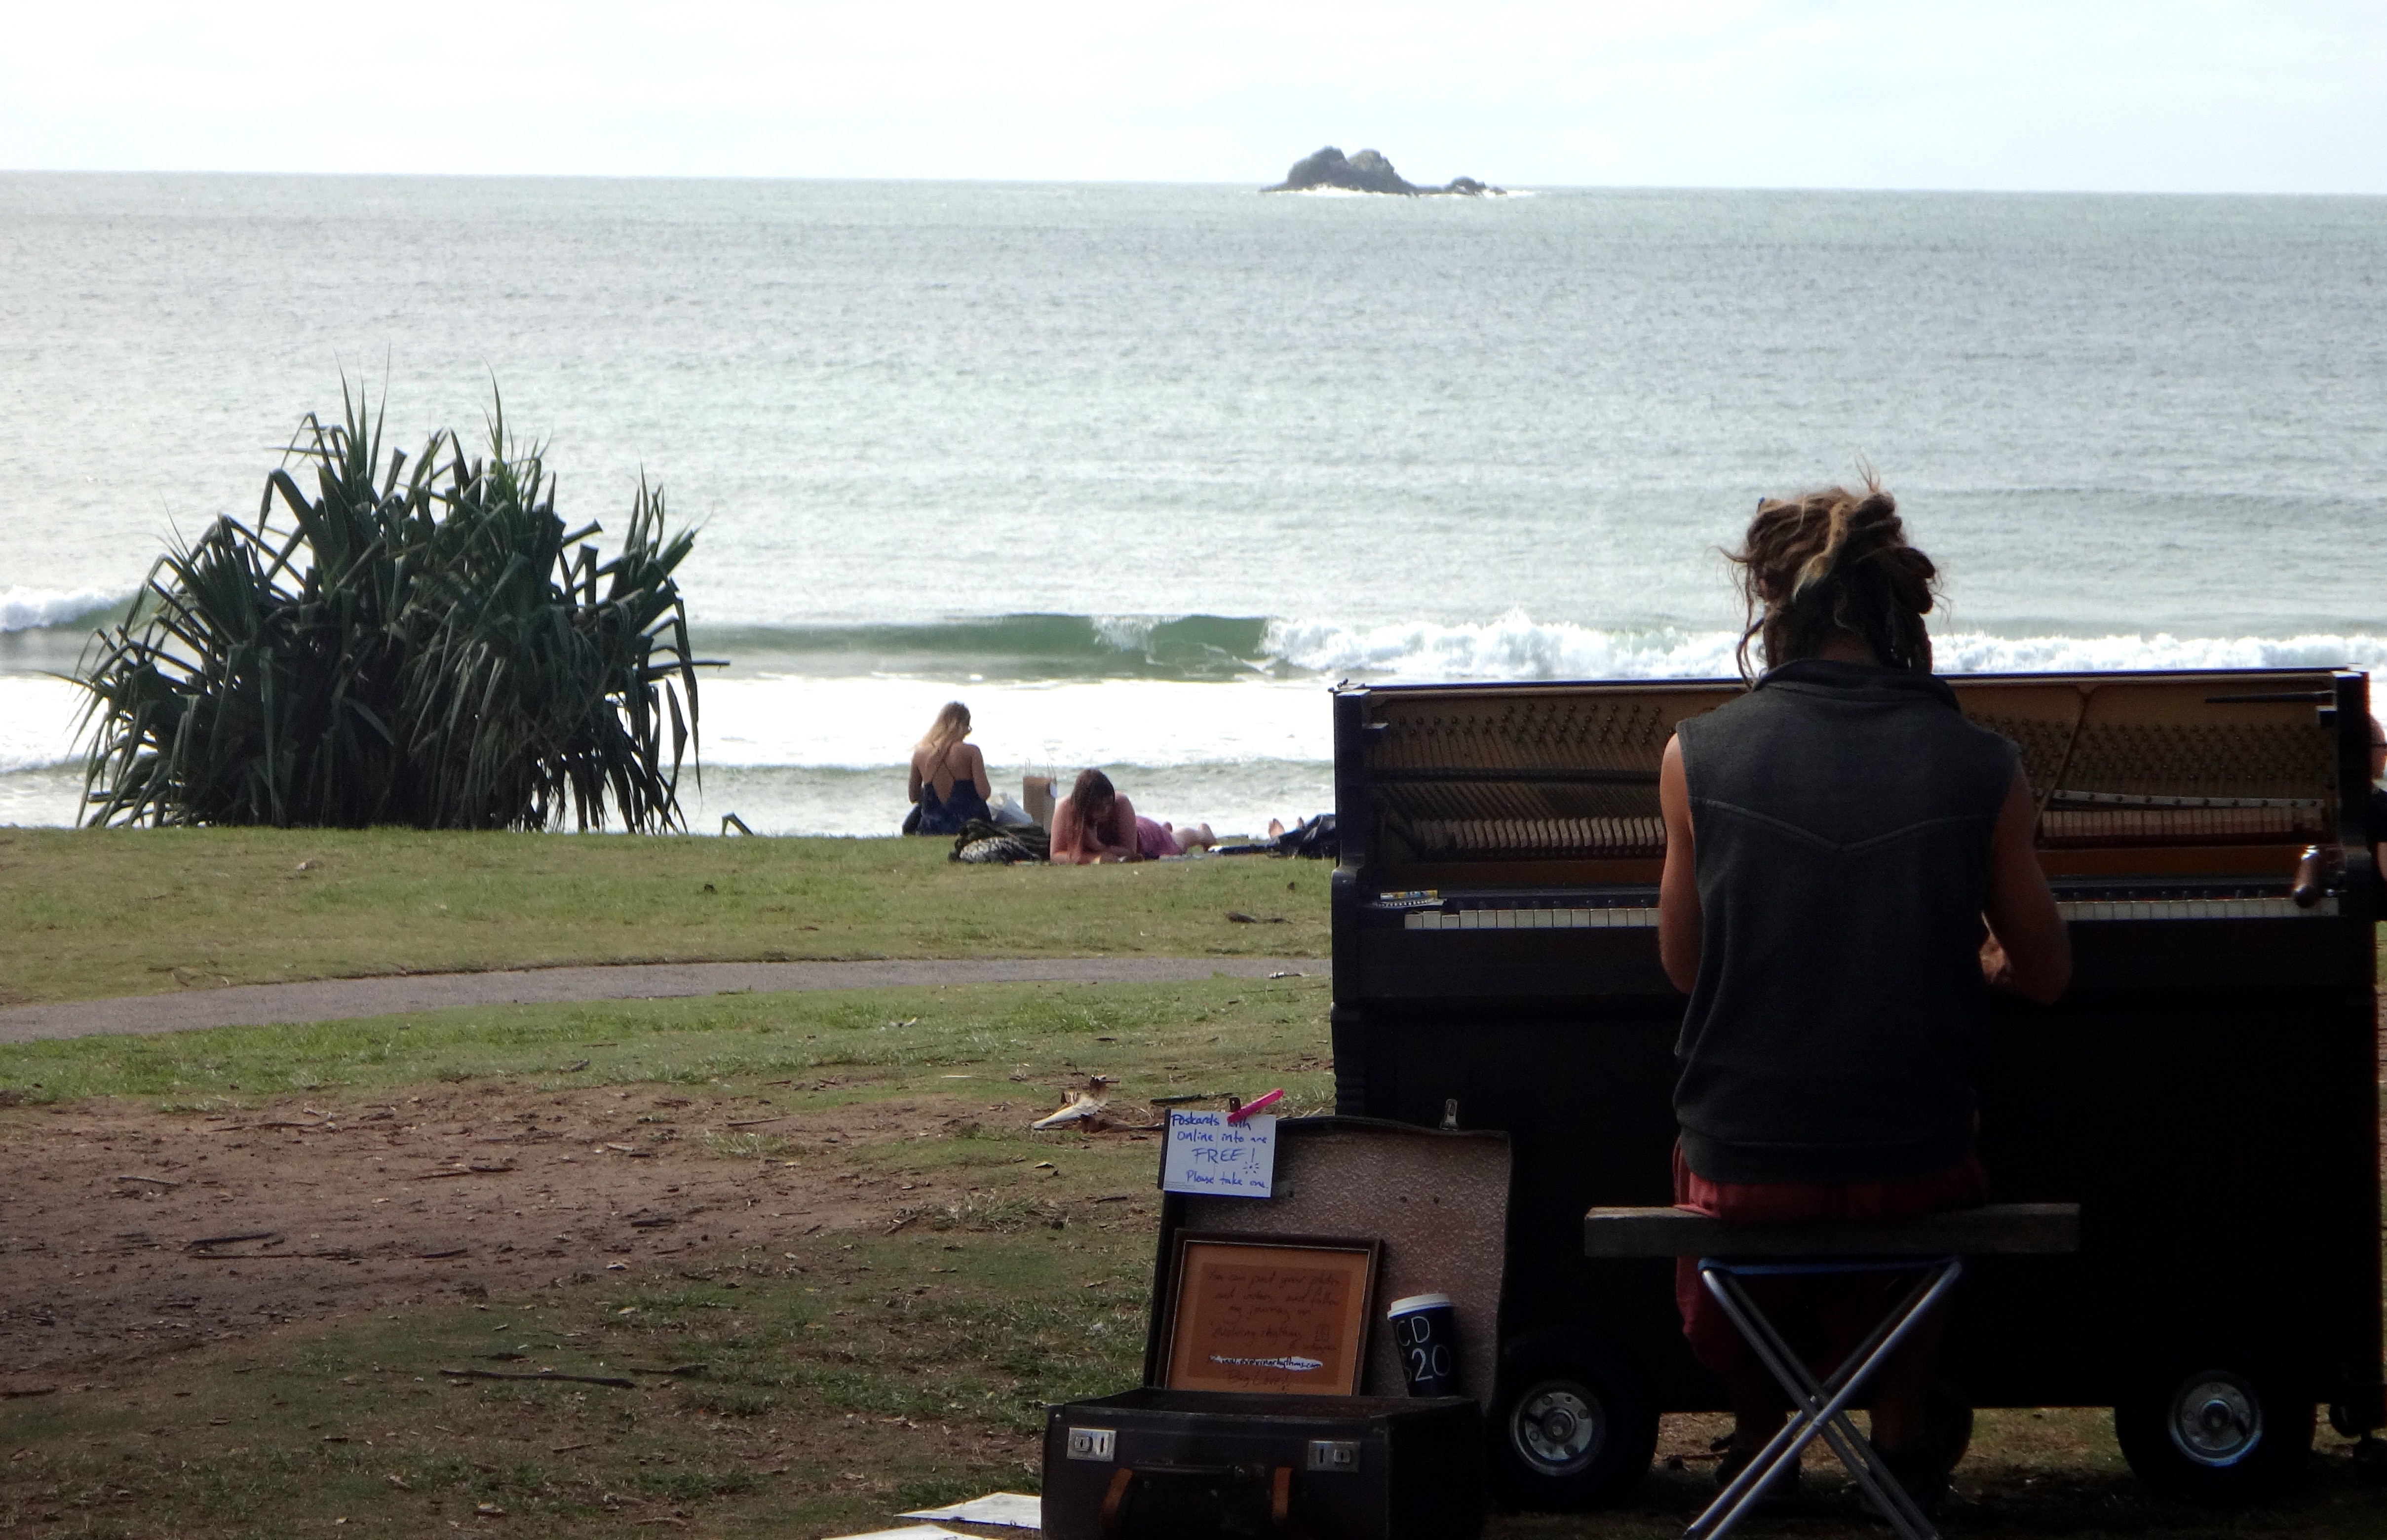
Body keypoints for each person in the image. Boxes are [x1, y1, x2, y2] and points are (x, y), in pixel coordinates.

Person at [1655, 479, 2071, 1513]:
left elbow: (1681, 966)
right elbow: (2049, 973)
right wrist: (1978, 961)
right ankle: (1901, 1437)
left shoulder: (1693, 755)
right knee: (1931, 1146)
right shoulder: (1984, 764)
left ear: (1773, 604)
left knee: (1723, 1153)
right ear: (1897, 607)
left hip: (1746, 1171)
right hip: (1911, 1170)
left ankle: (1761, 1441)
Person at [907, 702, 992, 836]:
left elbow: (914, 797)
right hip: (970, 827)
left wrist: (933, 790)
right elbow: (984, 793)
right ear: (963, 726)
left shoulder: (920, 754)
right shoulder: (971, 751)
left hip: (931, 827)